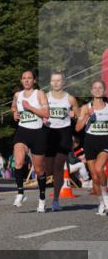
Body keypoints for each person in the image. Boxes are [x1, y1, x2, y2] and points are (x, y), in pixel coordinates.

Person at [11, 70, 49, 211]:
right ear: (21, 80)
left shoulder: (39, 94)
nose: (27, 81)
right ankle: (20, 193)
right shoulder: (17, 95)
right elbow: (14, 106)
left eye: (29, 78)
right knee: (19, 162)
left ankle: (42, 199)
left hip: (37, 133)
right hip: (22, 132)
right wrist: (14, 113)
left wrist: (30, 108)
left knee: (39, 170)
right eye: (24, 78)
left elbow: (46, 113)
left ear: (34, 80)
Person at [45, 71, 80, 211]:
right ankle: (43, 195)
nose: (56, 83)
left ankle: (55, 200)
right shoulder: (45, 97)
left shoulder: (70, 99)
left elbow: (79, 115)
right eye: (53, 80)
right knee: (48, 170)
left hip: (64, 134)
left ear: (64, 82)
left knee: (58, 167)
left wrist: (74, 115)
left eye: (59, 80)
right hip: (48, 134)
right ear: (50, 82)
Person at [75, 79, 108, 216]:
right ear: (91, 91)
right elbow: (77, 128)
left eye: (100, 87)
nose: (98, 90)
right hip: (90, 142)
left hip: (105, 141)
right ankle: (101, 202)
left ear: (104, 90)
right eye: (95, 88)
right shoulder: (85, 107)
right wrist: (86, 116)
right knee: (94, 176)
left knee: (99, 169)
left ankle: (106, 199)